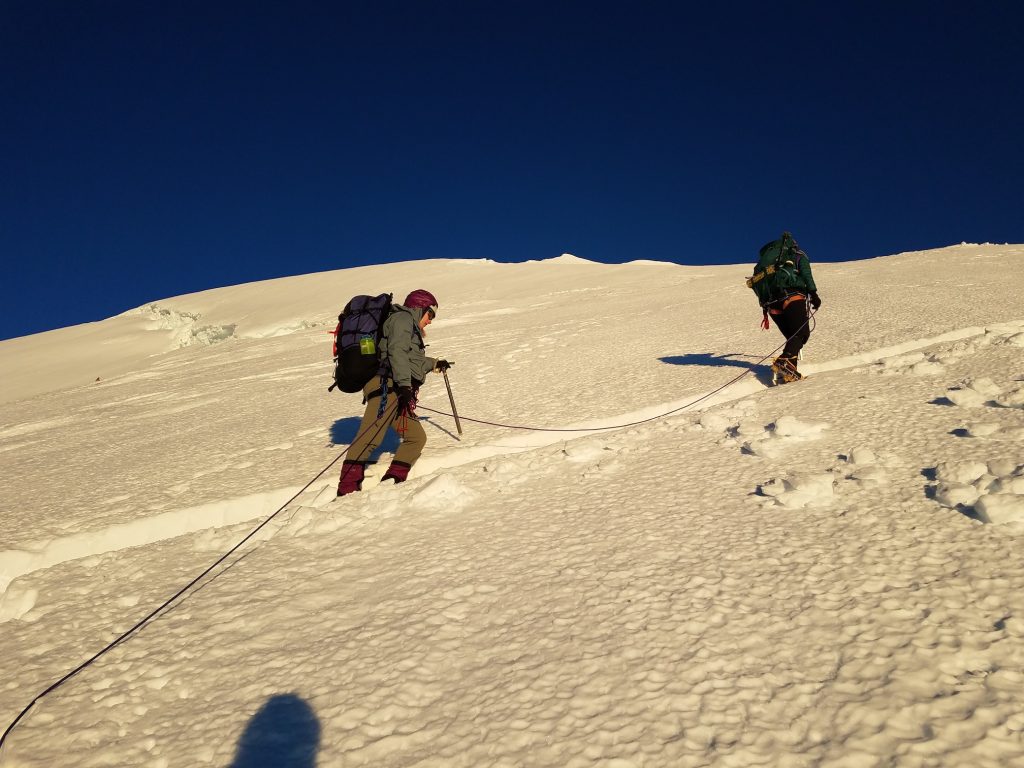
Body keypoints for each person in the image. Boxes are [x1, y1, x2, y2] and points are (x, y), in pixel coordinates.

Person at [337, 289, 452, 496]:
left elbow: (410, 359)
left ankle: (392, 482)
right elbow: (397, 352)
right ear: (420, 308)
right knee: (370, 436)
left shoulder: (407, 326)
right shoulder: (402, 319)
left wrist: (434, 363)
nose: (431, 321)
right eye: (430, 314)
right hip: (386, 386)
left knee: (416, 437)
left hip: (396, 388)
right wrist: (404, 385)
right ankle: (347, 488)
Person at [756, 232, 821, 383]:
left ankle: (788, 371)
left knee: (793, 337)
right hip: (791, 296)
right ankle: (785, 362)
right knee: (801, 333)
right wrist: (813, 293)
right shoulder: (797, 255)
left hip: (771, 305)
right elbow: (806, 274)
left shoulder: (769, 262)